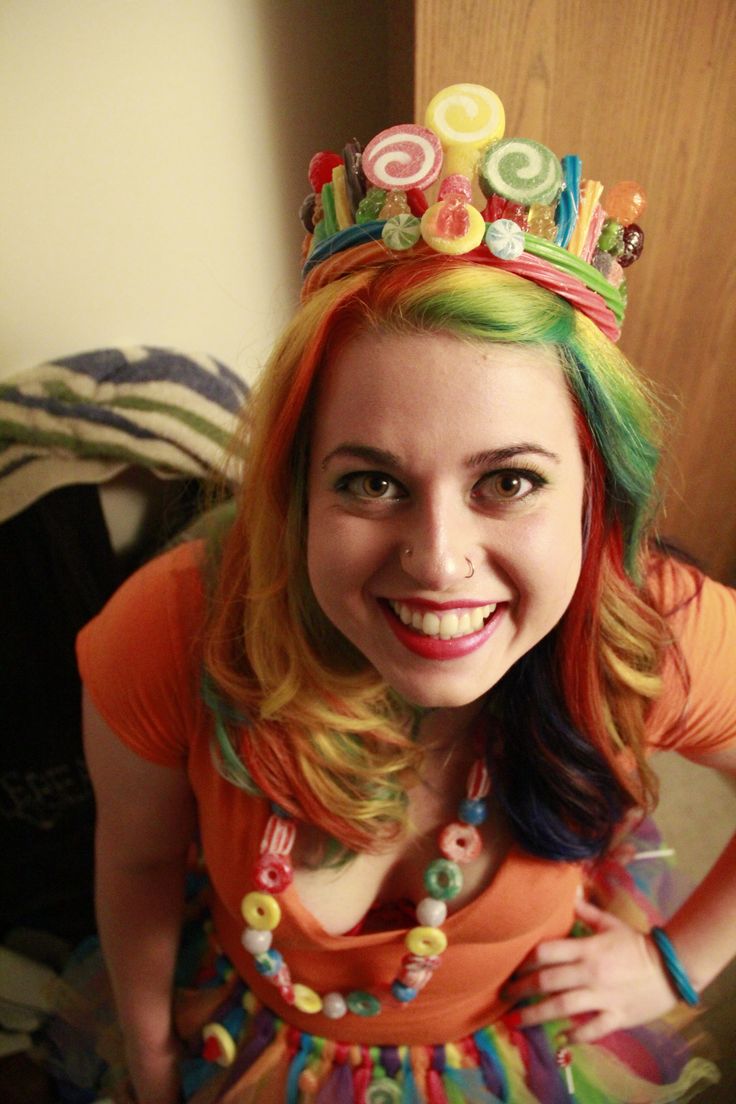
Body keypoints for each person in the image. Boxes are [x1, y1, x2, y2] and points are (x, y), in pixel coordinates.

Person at [77, 84, 736, 1104]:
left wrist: (673, 963)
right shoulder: (170, 630)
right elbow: (136, 868)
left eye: (508, 481)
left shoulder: (654, 629)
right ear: (298, 487)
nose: (437, 561)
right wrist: (153, 1055)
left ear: (595, 491)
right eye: (370, 481)